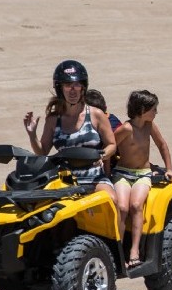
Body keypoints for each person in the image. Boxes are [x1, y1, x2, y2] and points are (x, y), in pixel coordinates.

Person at [23, 60, 118, 203]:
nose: (72, 90)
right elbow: (42, 152)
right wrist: (32, 135)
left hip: (94, 177)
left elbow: (112, 144)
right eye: (68, 85)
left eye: (76, 85)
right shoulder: (53, 119)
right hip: (64, 180)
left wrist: (102, 155)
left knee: (112, 201)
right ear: (60, 88)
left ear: (83, 87)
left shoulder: (96, 114)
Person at [113, 90, 172, 269]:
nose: (156, 112)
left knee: (136, 206)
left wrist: (169, 169)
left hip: (143, 173)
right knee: (122, 207)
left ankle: (134, 251)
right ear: (142, 109)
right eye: (153, 109)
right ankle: (117, 251)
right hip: (123, 173)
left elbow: (162, 145)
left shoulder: (150, 126)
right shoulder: (125, 129)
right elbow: (109, 148)